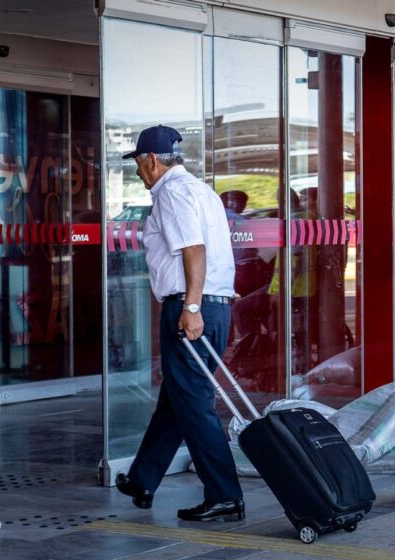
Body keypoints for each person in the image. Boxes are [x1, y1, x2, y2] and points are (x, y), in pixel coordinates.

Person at [114, 125, 244, 522]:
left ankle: (224, 494)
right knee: (177, 398)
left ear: (152, 160)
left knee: (194, 404)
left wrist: (190, 308)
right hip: (214, 305)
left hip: (192, 307)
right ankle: (143, 478)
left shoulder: (170, 193)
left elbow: (193, 249)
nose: (137, 172)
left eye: (138, 163)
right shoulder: (201, 191)